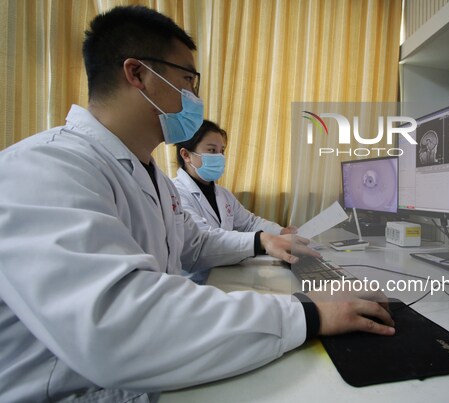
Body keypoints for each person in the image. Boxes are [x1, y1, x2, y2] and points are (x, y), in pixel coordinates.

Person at [0, 6, 394, 402]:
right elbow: (119, 325)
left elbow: (196, 243)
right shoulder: (44, 168)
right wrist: (309, 314)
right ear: (137, 74)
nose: (196, 98)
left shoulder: (149, 175)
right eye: (188, 80)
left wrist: (263, 242)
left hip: (136, 377)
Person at [173, 119, 297, 235]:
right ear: (186, 155)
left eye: (222, 151)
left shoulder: (223, 194)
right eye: (211, 150)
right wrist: (260, 240)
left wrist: (281, 232)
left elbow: (249, 223)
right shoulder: (175, 193)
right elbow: (204, 237)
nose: (219, 157)